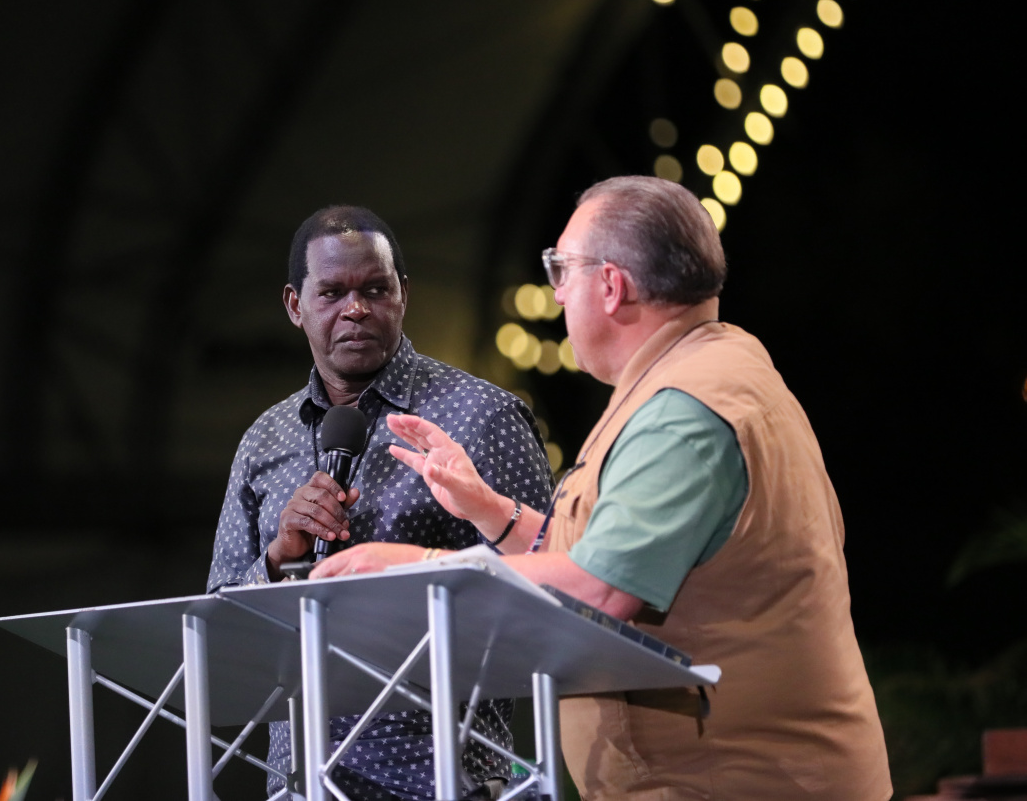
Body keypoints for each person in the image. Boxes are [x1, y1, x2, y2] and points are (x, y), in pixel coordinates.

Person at [315, 176, 892, 800]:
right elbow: (613, 559)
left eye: (562, 269)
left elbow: (602, 589)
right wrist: (491, 511)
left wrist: (413, 569)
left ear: (612, 286)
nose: (557, 293)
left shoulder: (686, 410)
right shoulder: (698, 373)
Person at [207, 205, 553, 801]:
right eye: (332, 293)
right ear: (294, 305)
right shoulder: (264, 440)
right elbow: (214, 630)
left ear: (403, 295)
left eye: (375, 289)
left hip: (445, 778)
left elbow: (549, 588)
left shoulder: (483, 416)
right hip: (299, 784)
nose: (356, 309)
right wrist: (277, 559)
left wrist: (419, 570)